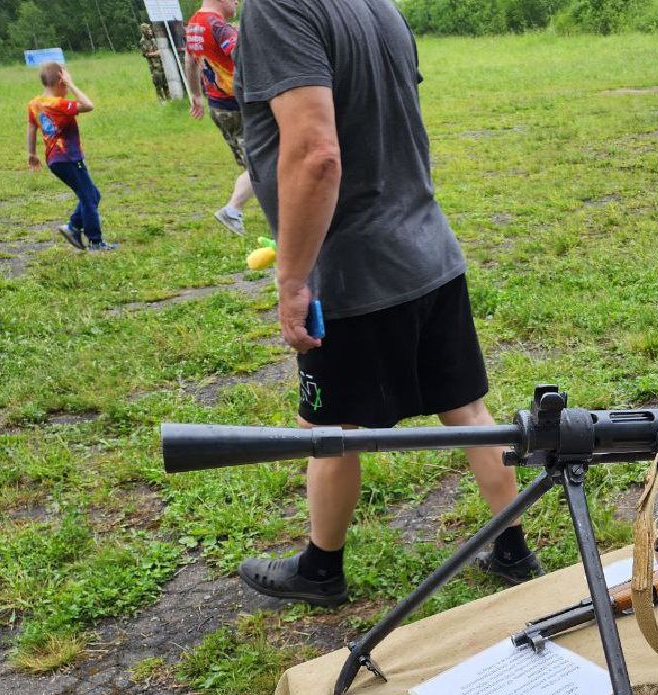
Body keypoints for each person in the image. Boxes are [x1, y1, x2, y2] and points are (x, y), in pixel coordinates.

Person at [233, 0, 541, 607]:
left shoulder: (276, 9)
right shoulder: (377, 5)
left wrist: (294, 280)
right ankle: (514, 550)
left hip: (354, 270)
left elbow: (317, 154)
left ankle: (320, 569)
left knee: (327, 431)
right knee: (470, 412)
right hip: (429, 249)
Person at [26, 63, 116, 253]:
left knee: (93, 194)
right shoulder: (59, 104)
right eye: (66, 81)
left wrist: (32, 154)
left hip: (55, 160)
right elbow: (88, 105)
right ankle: (95, 242)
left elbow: (32, 127)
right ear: (61, 81)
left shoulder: (35, 103)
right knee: (88, 198)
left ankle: (73, 227)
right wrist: (73, 86)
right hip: (69, 158)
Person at [185, 0, 255, 236]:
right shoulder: (217, 26)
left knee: (255, 163)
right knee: (263, 162)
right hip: (238, 106)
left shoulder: (194, 23)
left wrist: (195, 94)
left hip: (218, 107)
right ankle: (232, 210)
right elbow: (244, 58)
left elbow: (190, 60)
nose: (236, 2)